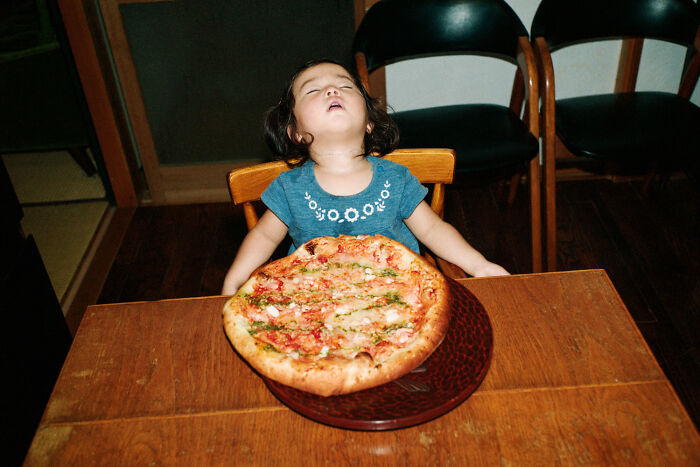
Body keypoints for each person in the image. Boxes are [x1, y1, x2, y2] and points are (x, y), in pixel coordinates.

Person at [221, 59, 508, 294]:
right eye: (312, 90)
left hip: (400, 295)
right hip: (315, 304)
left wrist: (479, 265)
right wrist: (234, 281)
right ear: (295, 132)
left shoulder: (396, 179)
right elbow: (262, 237)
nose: (332, 90)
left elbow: (433, 231)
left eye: (345, 85)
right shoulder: (289, 187)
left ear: (370, 122)